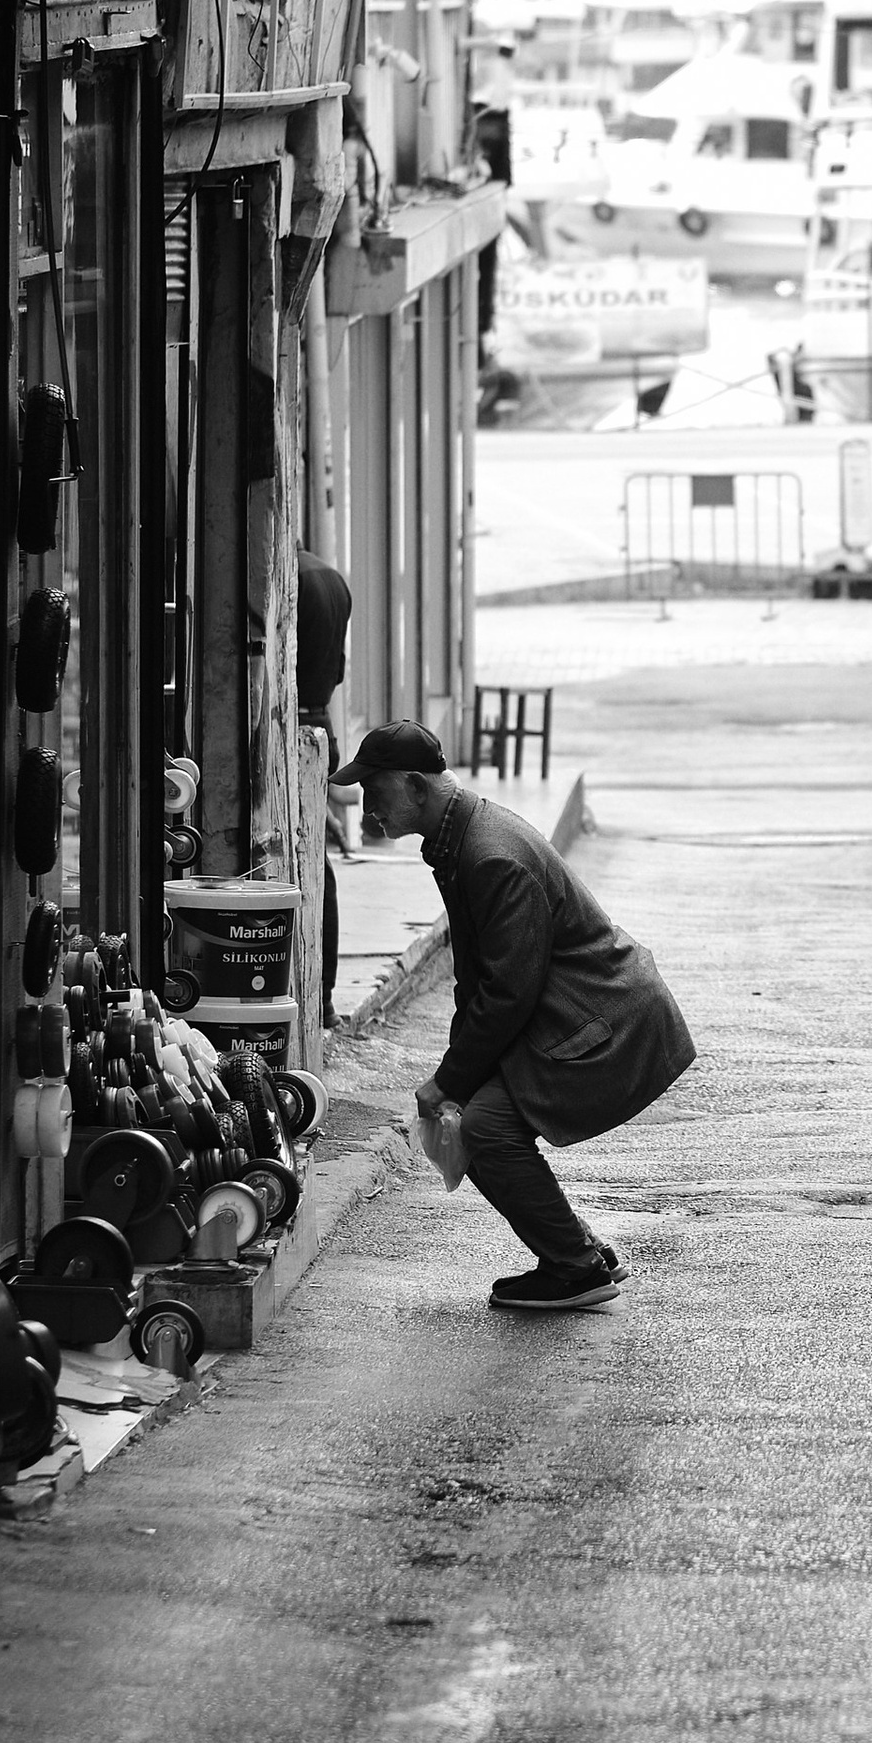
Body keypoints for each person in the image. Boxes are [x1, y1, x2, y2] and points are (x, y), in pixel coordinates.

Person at [344, 721, 697, 1313]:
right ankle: (578, 1252)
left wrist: (449, 1082)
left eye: (375, 792)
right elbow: (479, 980)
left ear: (417, 787)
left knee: (483, 1127)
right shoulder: (461, 838)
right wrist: (455, 1075)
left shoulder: (489, 855)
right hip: (573, 1013)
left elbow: (508, 992)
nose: (367, 809)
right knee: (475, 1118)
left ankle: (573, 1266)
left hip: (605, 1021)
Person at [298, 547, 353, 1021]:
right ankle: (324, 995)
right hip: (320, 722)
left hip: (295, 729)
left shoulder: (285, 579)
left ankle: (320, 995)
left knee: (313, 868)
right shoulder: (331, 578)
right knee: (318, 864)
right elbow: (337, 668)